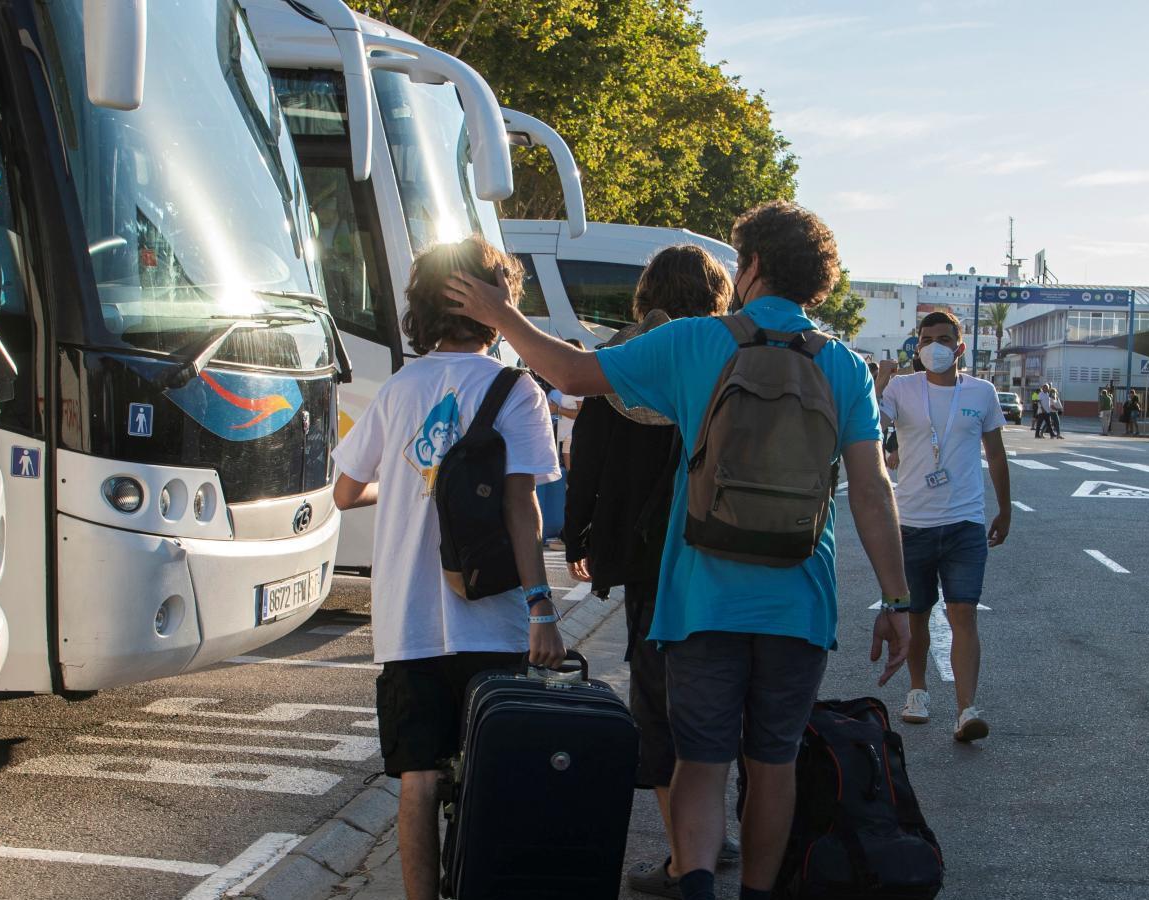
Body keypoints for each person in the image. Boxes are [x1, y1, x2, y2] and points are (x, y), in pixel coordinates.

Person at [443, 200, 913, 900]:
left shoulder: (698, 341)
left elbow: (572, 375)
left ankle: (694, 887)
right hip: (798, 597)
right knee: (773, 760)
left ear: (751, 266)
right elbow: (873, 491)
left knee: (700, 758)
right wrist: (898, 600)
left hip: (700, 596)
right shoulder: (843, 366)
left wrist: (500, 314)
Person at [330, 236, 566, 900]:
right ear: (496, 304)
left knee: (417, 778)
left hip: (407, 620)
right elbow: (523, 507)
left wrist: (405, 487)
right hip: (492, 619)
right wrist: (542, 611)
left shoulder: (398, 390)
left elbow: (346, 492)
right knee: (496, 771)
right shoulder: (517, 392)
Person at [561, 245, 739, 897]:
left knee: (656, 701)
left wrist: (577, 530)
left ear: (647, 292)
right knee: (715, 689)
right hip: (719, 549)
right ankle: (708, 832)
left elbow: (591, 452)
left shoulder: (626, 354)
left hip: (645, 556)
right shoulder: (726, 353)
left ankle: (679, 854)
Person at [880, 311, 1011, 742]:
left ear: (960, 346)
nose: (933, 345)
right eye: (926, 338)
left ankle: (966, 709)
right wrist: (880, 382)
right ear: (916, 346)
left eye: (943, 338)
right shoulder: (901, 388)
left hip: (964, 523)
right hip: (912, 523)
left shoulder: (982, 392)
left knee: (963, 613)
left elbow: (995, 452)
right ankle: (917, 692)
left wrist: (1005, 508)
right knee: (916, 616)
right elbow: (871, 430)